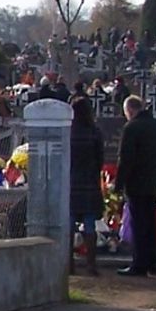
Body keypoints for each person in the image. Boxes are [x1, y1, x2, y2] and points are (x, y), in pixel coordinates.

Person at [115, 95, 156, 276]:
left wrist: (119, 184)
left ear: (130, 110)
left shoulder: (132, 128)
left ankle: (138, 264)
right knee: (151, 223)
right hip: (153, 181)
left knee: (138, 224)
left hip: (136, 182)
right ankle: (151, 263)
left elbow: (126, 159)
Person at [69, 97, 104, 276]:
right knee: (89, 226)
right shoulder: (94, 132)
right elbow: (100, 159)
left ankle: (69, 264)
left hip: (72, 181)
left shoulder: (68, 132)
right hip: (89, 181)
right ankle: (91, 265)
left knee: (70, 224)